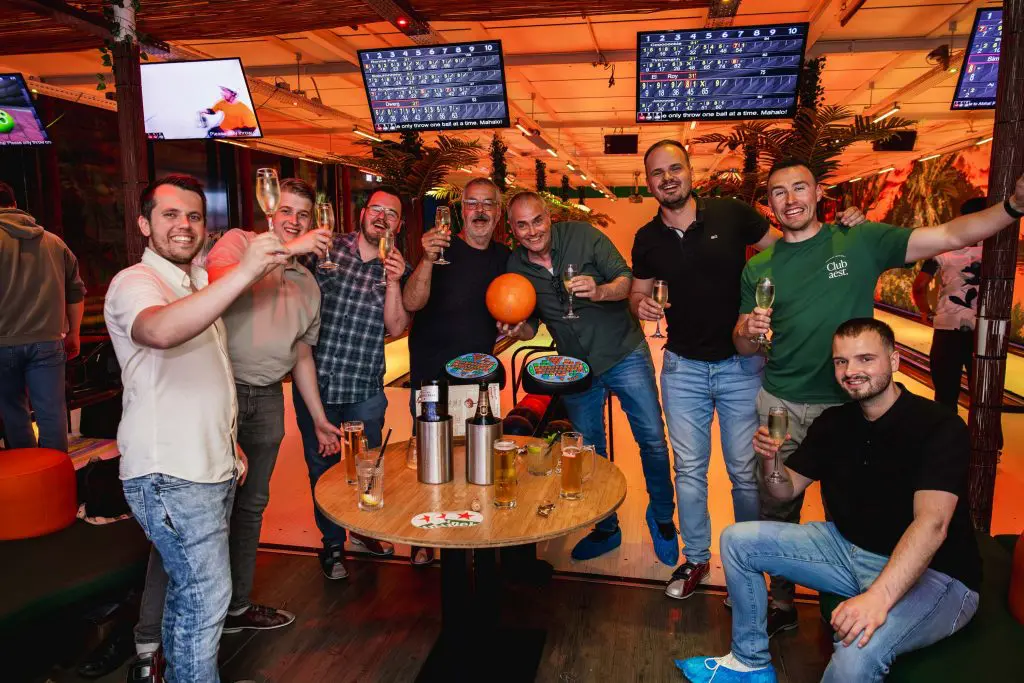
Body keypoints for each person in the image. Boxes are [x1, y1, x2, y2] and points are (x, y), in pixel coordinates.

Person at [733, 158, 1023, 635]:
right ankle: (781, 599)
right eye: (779, 192)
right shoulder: (759, 267)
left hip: (846, 408)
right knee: (777, 505)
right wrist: (746, 330)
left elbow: (950, 234)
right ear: (770, 204)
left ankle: (847, 600)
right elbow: (744, 344)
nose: (791, 199)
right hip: (781, 402)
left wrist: (1012, 206)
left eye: (800, 187)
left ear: (819, 193)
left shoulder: (859, 240)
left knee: (846, 509)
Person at [677, 318, 981, 683]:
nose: (851, 371)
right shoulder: (835, 422)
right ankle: (749, 663)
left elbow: (932, 525)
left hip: (936, 574)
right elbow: (784, 490)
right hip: (848, 550)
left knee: (855, 654)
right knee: (737, 540)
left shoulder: (939, 426)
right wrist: (771, 459)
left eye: (865, 359)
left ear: (894, 360)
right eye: (841, 361)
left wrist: (877, 599)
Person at [629, 140, 869, 599]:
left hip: (741, 366)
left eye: (674, 168)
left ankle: (749, 563)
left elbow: (794, 250)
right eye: (657, 173)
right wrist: (640, 305)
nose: (667, 178)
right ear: (649, 182)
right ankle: (695, 559)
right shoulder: (647, 238)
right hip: (682, 368)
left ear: (690, 171)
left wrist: (843, 232)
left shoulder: (731, 214)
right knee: (689, 470)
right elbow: (637, 292)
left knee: (744, 472)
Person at [124, 178, 342, 679]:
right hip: (218, 394)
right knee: (190, 525)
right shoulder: (240, 244)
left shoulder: (308, 284)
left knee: (249, 509)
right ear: (270, 211)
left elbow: (301, 356)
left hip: (266, 398)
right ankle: (149, 640)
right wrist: (288, 250)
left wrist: (318, 417)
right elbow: (216, 284)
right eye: (286, 210)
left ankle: (235, 609)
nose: (294, 220)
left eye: (303, 215)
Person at [104, 175, 291, 682]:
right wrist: (245, 271)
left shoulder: (198, 283)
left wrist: (228, 444)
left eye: (193, 216)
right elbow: (159, 330)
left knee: (192, 595)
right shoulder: (134, 282)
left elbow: (210, 371)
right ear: (144, 225)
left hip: (206, 466)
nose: (184, 225)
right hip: (170, 472)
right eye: (169, 215)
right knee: (207, 597)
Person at [502, 191, 677, 564]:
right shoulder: (515, 265)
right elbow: (530, 324)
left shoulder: (583, 235)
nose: (532, 231)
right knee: (589, 449)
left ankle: (663, 517)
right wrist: (517, 329)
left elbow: (625, 281)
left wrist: (598, 291)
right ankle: (606, 527)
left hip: (624, 352)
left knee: (652, 439)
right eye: (522, 225)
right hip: (575, 366)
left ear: (549, 216)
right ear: (513, 229)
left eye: (537, 220)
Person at [294, 185, 411, 580]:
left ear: (399, 225)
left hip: (364, 387)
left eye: (391, 213)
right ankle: (332, 544)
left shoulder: (397, 265)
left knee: (368, 467)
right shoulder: (326, 247)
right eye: (376, 209)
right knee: (321, 469)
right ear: (362, 213)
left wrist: (394, 281)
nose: (382, 217)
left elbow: (397, 326)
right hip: (318, 384)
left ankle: (364, 531)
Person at [402, 177, 510, 566]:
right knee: (431, 463)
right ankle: (425, 536)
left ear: (498, 212)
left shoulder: (504, 258)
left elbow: (521, 314)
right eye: (472, 204)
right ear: (461, 210)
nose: (480, 211)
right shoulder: (440, 250)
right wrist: (426, 260)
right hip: (432, 376)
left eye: (488, 204)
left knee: (479, 462)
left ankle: (477, 535)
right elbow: (411, 302)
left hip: (480, 379)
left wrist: (517, 327)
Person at [0, 180, 85, 452]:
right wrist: (74, 333)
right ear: (15, 204)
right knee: (52, 414)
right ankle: (55, 473)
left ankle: (28, 474)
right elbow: (76, 292)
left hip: (2, 343)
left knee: (13, 413)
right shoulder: (54, 242)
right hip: (48, 341)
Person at [912, 197, 986, 411]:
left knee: (945, 396)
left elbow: (919, 286)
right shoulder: (997, 251)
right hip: (983, 331)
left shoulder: (944, 249)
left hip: (948, 328)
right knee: (983, 396)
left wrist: (925, 311)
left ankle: (947, 432)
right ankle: (984, 432)